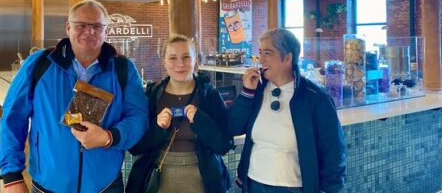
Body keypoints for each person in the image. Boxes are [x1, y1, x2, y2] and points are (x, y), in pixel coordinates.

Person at [0, 0, 149, 193]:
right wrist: (12, 176)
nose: (89, 31)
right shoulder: (39, 64)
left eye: (97, 26)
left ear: (106, 31)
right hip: (48, 186)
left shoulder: (123, 69)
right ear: (68, 27)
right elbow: (12, 117)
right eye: (81, 25)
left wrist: (109, 137)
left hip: (106, 186)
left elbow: (139, 118)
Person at [229, 28, 346, 193]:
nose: (260, 59)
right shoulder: (257, 90)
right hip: (253, 184)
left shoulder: (315, 98)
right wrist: (247, 93)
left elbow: (334, 152)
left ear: (288, 58)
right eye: (260, 53)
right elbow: (233, 127)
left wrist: (329, 190)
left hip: (293, 187)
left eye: (267, 53)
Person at [126, 35, 232, 193]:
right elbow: (135, 148)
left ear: (195, 59)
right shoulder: (153, 95)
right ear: (164, 61)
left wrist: (201, 121)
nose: (180, 64)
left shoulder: (209, 95)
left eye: (186, 57)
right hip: (159, 174)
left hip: (202, 175)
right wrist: (157, 127)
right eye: (173, 58)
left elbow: (223, 145)